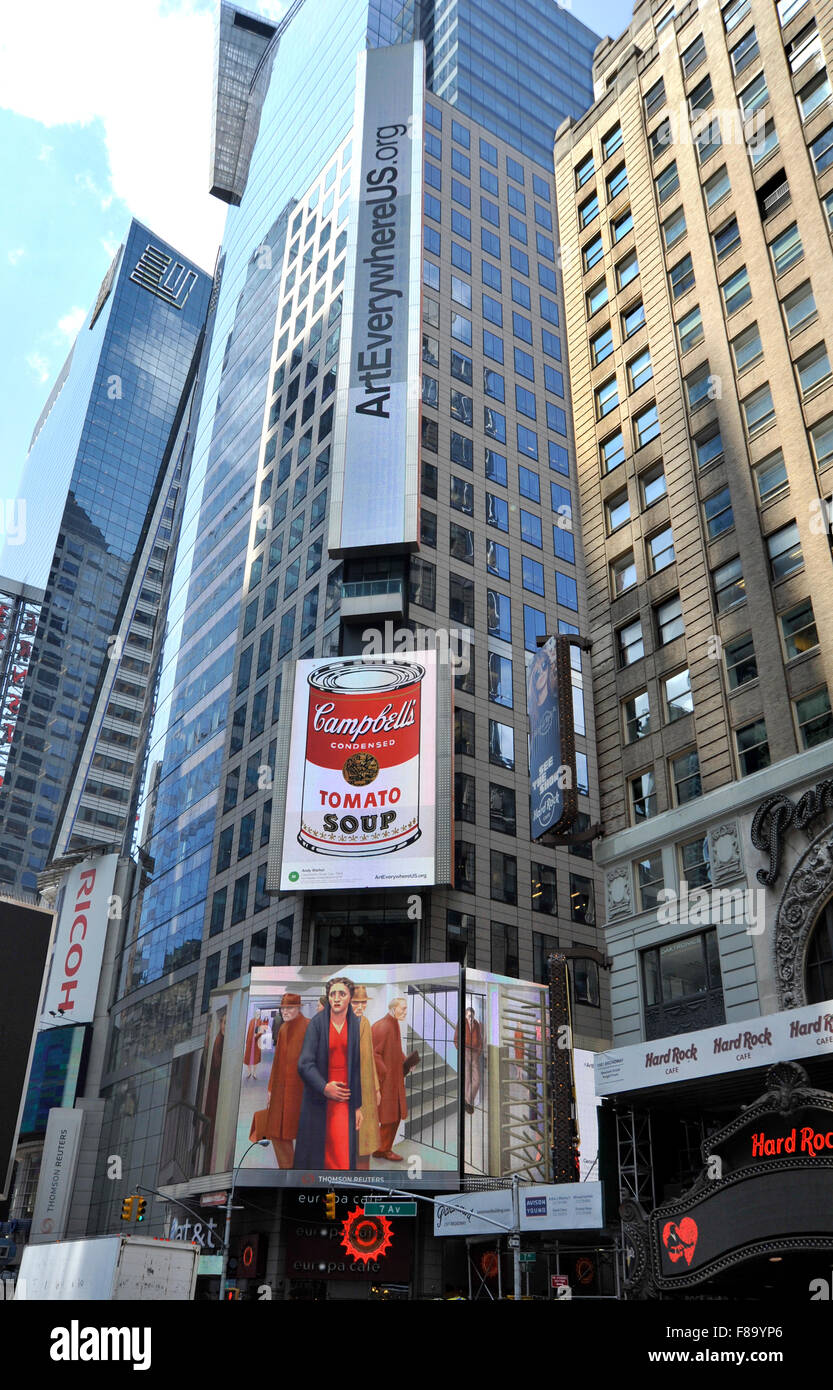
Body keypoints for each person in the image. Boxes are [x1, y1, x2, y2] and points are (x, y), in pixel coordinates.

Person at [295, 978, 363, 1171]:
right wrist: (325, 1088)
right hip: (321, 1094)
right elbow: (304, 1064)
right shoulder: (316, 1023)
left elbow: (358, 1068)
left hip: (346, 1097)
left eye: (342, 994)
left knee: (343, 1149)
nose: (337, 998)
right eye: (332, 994)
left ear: (350, 997)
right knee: (320, 1150)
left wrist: (358, 1106)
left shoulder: (356, 1024)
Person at [263, 992, 308, 1168]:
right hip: (281, 1089)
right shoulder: (283, 1029)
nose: (285, 1012)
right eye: (283, 1008)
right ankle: (288, 1169)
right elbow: (277, 1062)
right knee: (277, 1132)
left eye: (289, 1008)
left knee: (300, 1131)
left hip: (300, 1090)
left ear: (298, 1008)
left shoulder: (309, 1027)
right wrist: (270, 1088)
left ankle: (299, 1170)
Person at [372, 997, 418, 1162]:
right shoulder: (383, 1026)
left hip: (393, 1080)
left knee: (394, 1115)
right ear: (393, 1008)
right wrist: (385, 1073)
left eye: (406, 1009)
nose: (405, 1012)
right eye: (403, 1009)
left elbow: (395, 1051)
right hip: (386, 1082)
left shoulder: (393, 1024)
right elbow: (374, 1054)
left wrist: (406, 1062)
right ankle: (383, 1149)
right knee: (389, 1117)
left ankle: (382, 1148)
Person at [351, 985, 381, 1168]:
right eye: (356, 1002)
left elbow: (370, 1058)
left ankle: (362, 1174)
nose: (360, 1006)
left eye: (363, 1002)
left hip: (368, 1089)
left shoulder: (365, 1023)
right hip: (351, 1088)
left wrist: (376, 1087)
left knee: (365, 1138)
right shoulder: (342, 1025)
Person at [454, 1005, 483, 1114]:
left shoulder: (476, 1024)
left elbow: (479, 1039)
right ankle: (468, 1103)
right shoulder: (461, 1023)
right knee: (467, 1079)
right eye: (469, 1016)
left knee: (477, 1080)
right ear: (466, 1016)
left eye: (473, 1016)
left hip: (475, 1053)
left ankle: (467, 1100)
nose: (471, 1019)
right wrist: (461, 1050)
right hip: (465, 1052)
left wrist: (478, 1051)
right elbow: (456, 1039)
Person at [244, 1011, 266, 1079]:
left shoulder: (261, 1022)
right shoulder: (251, 1021)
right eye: (256, 1014)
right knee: (248, 1057)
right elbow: (248, 1031)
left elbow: (262, 1031)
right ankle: (249, 1072)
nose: (257, 1015)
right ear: (254, 1014)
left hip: (256, 1042)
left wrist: (256, 1036)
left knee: (255, 1057)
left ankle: (254, 1073)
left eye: (259, 1014)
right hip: (250, 1041)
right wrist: (247, 1040)